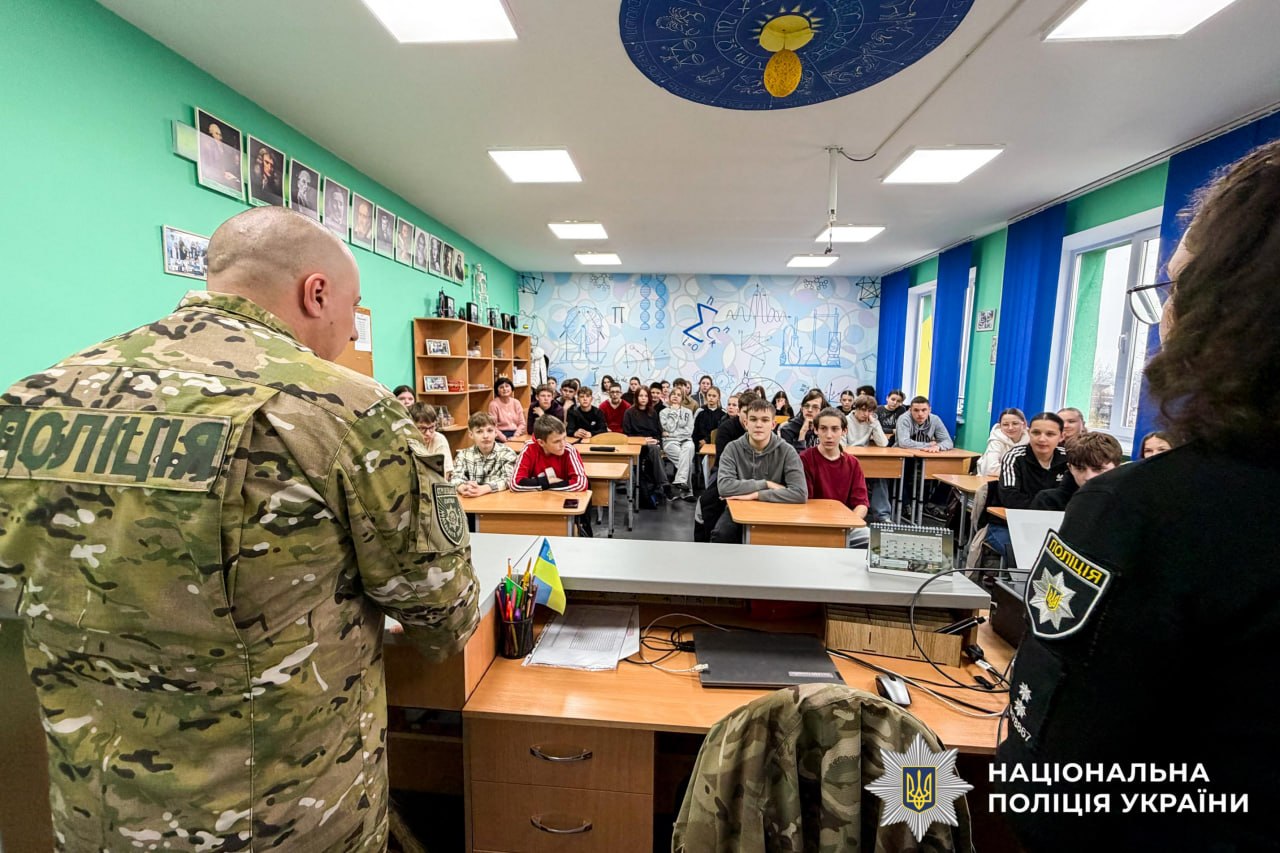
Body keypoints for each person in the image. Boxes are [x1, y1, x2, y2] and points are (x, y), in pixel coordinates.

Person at [0, 206, 479, 850]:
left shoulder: (32, 400)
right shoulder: (346, 412)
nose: (349, 330)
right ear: (316, 293)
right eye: (353, 308)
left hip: (99, 812)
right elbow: (443, 614)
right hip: (280, 815)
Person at [998, 140, 1280, 853]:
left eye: (1176, 288)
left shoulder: (1141, 512)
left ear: (1228, 313)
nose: (1162, 315)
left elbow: (1048, 788)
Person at [711, 400, 807, 543]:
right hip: (739, 508)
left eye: (765, 420)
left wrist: (755, 495)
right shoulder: (732, 448)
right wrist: (766, 484)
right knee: (721, 535)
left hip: (776, 507)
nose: (758, 425)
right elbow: (725, 487)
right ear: (746, 423)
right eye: (753, 419)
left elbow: (800, 493)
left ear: (773, 425)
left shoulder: (787, 451)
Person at [800, 408, 869, 544]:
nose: (829, 435)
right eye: (823, 429)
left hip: (844, 524)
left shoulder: (853, 463)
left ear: (844, 431)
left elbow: (861, 504)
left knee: (872, 540)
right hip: (813, 523)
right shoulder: (805, 459)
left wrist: (848, 524)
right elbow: (805, 501)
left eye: (835, 429)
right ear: (815, 430)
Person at [990, 412, 1066, 510]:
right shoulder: (1014, 457)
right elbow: (1010, 498)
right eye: (1036, 433)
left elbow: (1075, 495)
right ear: (1029, 433)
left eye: (1050, 434)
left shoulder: (1069, 458)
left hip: (1059, 517)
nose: (1042, 439)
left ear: (1061, 436)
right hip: (1017, 516)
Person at [1030, 432, 1123, 510]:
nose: (1088, 477)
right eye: (1080, 468)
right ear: (1070, 468)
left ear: (1118, 469)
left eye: (1098, 469)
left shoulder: (1128, 501)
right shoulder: (1048, 501)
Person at [509, 416, 588, 494]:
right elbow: (515, 484)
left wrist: (542, 485)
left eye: (564, 438)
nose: (563, 444)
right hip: (537, 499)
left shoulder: (569, 450)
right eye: (557, 441)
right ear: (541, 442)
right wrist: (548, 481)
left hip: (562, 498)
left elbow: (581, 484)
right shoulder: (529, 448)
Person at [451, 411, 517, 496]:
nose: (485, 436)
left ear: (496, 432)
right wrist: (462, 487)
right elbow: (455, 478)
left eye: (490, 430)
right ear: (471, 435)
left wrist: (483, 489)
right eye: (479, 432)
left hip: (498, 500)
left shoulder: (507, 453)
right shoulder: (463, 455)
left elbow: (509, 479)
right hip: (471, 500)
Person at [623, 386, 670, 501]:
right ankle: (664, 483)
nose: (643, 398)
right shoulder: (629, 412)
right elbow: (627, 435)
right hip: (636, 445)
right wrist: (643, 440)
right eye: (641, 396)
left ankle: (658, 486)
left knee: (655, 448)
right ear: (636, 397)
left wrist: (656, 440)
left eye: (645, 396)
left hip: (652, 445)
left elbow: (658, 433)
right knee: (654, 449)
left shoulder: (652, 412)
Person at [660, 386, 696, 498]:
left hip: (686, 440)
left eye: (679, 395)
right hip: (670, 442)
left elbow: (689, 431)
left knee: (689, 448)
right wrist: (674, 412)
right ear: (670, 397)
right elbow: (669, 428)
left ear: (682, 398)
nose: (675, 396)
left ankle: (681, 481)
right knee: (686, 460)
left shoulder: (688, 412)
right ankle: (687, 492)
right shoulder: (663, 412)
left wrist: (672, 433)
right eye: (673, 394)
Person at [978, 407, 1029, 476]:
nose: (1010, 428)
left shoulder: (1031, 441)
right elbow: (991, 469)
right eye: (1005, 424)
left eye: (1015, 423)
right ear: (1000, 426)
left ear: (1024, 424)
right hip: (990, 479)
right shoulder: (995, 441)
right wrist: (1021, 471)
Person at [409, 402, 454, 477]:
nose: (428, 433)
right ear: (411, 427)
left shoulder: (439, 439)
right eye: (422, 428)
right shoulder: (405, 439)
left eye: (432, 427)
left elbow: (445, 475)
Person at [488, 376, 526, 440]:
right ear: (497, 390)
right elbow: (493, 426)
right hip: (500, 435)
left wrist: (516, 436)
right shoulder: (493, 404)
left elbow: (522, 423)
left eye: (507, 386)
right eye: (501, 387)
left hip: (517, 433)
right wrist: (503, 438)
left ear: (511, 388)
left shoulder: (516, 402)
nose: (505, 389)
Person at [692, 386, 727, 450]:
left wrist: (706, 440)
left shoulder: (723, 413)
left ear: (718, 398)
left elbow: (720, 431)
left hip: (716, 444)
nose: (711, 398)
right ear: (706, 397)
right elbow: (694, 431)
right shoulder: (700, 411)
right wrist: (698, 443)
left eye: (714, 396)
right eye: (709, 395)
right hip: (700, 444)